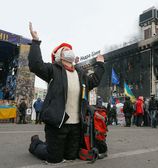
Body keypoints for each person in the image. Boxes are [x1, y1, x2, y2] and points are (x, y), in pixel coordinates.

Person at [28, 23, 105, 163]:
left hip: (76, 124)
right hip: (57, 123)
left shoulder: (80, 74)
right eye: (65, 49)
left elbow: (93, 81)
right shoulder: (53, 70)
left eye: (70, 49)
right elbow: (35, 65)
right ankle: (35, 143)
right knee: (54, 158)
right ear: (59, 56)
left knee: (71, 156)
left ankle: (52, 147)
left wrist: (100, 65)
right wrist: (35, 42)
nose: (69, 50)